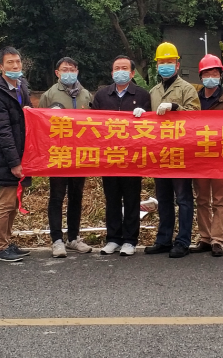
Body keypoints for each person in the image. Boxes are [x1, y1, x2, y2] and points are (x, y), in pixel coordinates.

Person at [142, 42, 201, 259]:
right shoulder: (154, 91)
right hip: (160, 152)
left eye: (169, 62)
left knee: (183, 198)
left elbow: (196, 117)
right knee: (164, 198)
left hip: (181, 151)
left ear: (177, 64)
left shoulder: (187, 89)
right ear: (157, 66)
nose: (165, 66)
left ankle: (183, 241)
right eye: (162, 62)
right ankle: (163, 239)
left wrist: (176, 108)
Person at [92, 55, 152, 256]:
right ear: (111, 72)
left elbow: (153, 125)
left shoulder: (142, 95)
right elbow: (91, 123)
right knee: (112, 199)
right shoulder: (102, 96)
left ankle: (130, 240)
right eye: (117, 68)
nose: (120, 71)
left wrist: (144, 115)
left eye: (124, 68)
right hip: (109, 156)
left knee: (132, 198)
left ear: (132, 73)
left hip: (133, 157)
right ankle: (113, 238)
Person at [38, 57, 95, 258]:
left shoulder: (86, 95)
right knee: (57, 196)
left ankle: (73, 237)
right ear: (57, 73)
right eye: (64, 69)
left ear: (77, 71)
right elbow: (40, 124)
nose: (68, 72)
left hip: (79, 154)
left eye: (72, 69)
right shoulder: (49, 95)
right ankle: (56, 240)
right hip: (58, 154)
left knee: (76, 196)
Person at [0, 47, 33, 262]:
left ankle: (7, 241)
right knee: (6, 203)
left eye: (18, 62)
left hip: (23, 153)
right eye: (10, 62)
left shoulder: (22, 87)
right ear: (0, 66)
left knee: (14, 202)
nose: (15, 66)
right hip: (7, 157)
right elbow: (2, 131)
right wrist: (14, 162)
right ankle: (1, 247)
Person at [190, 54, 223, 258]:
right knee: (201, 198)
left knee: (220, 199)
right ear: (201, 76)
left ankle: (217, 239)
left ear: (220, 75)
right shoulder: (194, 98)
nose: (211, 77)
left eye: (215, 73)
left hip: (221, 156)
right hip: (199, 154)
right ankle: (204, 237)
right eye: (207, 73)